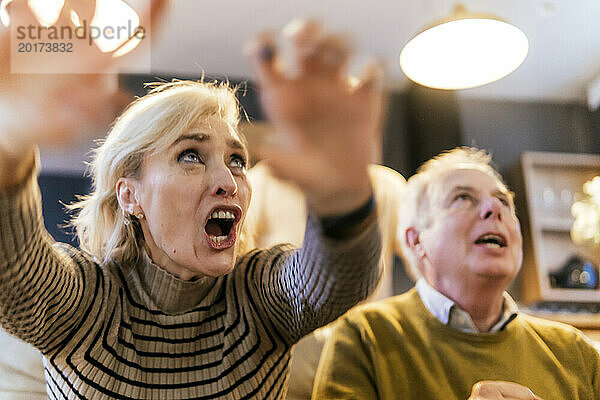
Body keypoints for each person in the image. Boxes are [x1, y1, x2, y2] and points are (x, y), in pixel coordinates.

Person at [0, 5, 384, 398]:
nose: (228, 181)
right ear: (130, 195)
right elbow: (16, 278)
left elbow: (336, 281)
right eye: (190, 155)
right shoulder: (85, 303)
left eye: (237, 160)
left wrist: (345, 201)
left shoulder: (256, 298)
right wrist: (8, 141)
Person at [313, 147, 600, 400]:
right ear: (417, 240)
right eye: (463, 198)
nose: (493, 208)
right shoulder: (364, 336)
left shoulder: (576, 352)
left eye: (503, 201)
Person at [243, 162, 406, 400]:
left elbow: (423, 249)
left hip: (363, 343)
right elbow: (241, 253)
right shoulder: (266, 180)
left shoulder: (386, 186)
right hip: (291, 346)